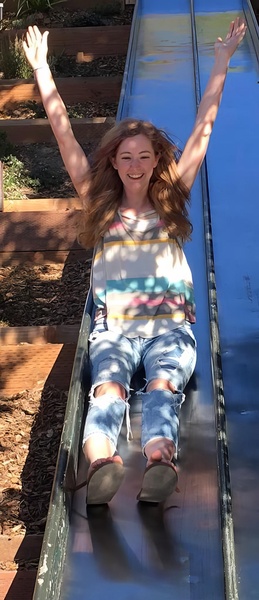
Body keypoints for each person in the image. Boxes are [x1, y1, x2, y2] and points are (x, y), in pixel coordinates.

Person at [23, 18, 246, 505]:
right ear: (114, 163)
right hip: (117, 330)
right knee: (108, 388)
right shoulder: (100, 206)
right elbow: (64, 139)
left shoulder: (171, 200)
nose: (136, 165)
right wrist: (42, 70)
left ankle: (159, 460)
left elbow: (203, 131)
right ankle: (103, 463)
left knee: (164, 386)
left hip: (169, 328)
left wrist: (222, 64)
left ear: (156, 160)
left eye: (144, 156)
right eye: (126, 157)